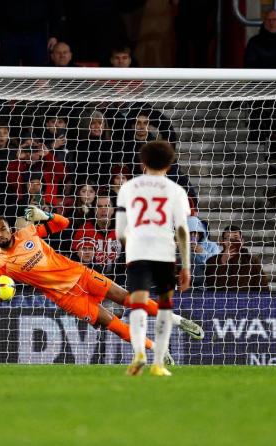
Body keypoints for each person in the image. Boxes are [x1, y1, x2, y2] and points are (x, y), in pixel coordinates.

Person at [0, 205, 204, 364]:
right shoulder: (0, 263)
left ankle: (178, 321)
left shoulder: (28, 231)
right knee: (112, 323)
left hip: (80, 273)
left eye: (2, 228)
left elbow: (63, 223)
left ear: (9, 227)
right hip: (65, 297)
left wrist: (44, 215)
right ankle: (156, 351)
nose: (0, 234)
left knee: (128, 298)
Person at [116, 140, 193, 377]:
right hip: (163, 250)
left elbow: (120, 231)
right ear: (169, 165)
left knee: (138, 303)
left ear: (143, 163)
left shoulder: (128, 188)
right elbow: (182, 230)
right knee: (165, 307)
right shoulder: (176, 191)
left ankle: (139, 352)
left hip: (138, 250)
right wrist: (186, 265)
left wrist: (131, 247)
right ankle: (158, 363)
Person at [204, 226, 270, 293]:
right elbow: (211, 286)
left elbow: (263, 288)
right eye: (227, 238)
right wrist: (222, 262)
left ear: (242, 241)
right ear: (222, 241)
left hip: (245, 302)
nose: (231, 242)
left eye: (235, 238)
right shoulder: (212, 261)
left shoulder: (252, 261)